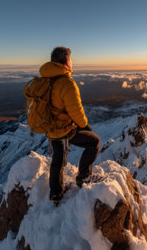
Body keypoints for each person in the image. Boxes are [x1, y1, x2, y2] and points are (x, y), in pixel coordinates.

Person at [39, 47, 100, 204]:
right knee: (94, 142)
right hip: (63, 128)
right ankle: (84, 178)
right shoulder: (67, 83)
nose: (72, 63)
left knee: (58, 158)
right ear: (66, 61)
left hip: (51, 128)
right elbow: (76, 111)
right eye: (71, 60)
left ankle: (56, 192)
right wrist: (85, 126)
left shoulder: (46, 80)